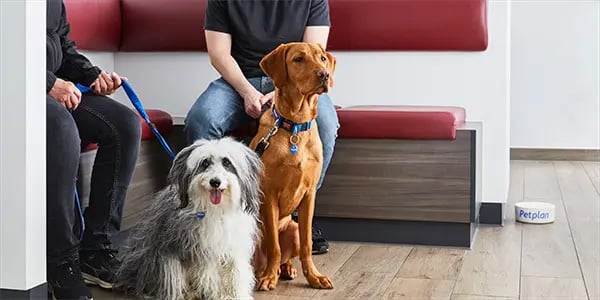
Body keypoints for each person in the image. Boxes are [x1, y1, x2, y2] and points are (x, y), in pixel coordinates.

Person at [184, 0, 339, 254]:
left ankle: (297, 218)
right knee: (202, 119)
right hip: (237, 81)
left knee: (326, 124)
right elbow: (219, 54)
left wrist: (279, 93)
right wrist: (247, 91)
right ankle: (208, 217)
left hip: (292, 83)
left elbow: (315, 53)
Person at [46, 0, 141, 299]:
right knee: (61, 128)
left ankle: (96, 247)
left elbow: (62, 48)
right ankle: (59, 263)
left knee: (124, 123)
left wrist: (92, 75)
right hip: (13, 87)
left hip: (48, 89)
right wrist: (46, 83)